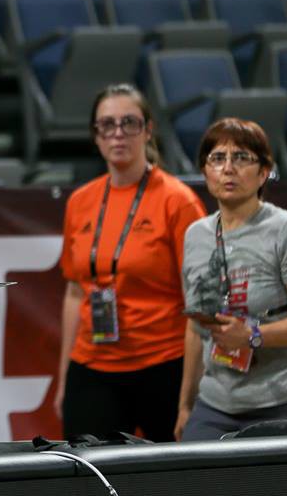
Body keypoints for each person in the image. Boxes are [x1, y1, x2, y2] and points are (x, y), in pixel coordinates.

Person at [54, 83, 206, 442]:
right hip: (92, 366)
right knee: (85, 468)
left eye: (130, 123)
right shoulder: (80, 201)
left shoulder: (178, 201)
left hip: (164, 364)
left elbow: (199, 304)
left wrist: (189, 394)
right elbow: (75, 292)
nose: (118, 133)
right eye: (107, 124)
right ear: (96, 135)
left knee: (171, 471)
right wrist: (64, 379)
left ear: (148, 130)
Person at [177, 117, 287, 441]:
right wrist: (186, 404)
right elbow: (196, 328)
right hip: (218, 404)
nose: (228, 168)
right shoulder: (195, 236)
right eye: (217, 158)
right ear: (205, 171)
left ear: (264, 172)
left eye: (241, 158)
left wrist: (253, 335)